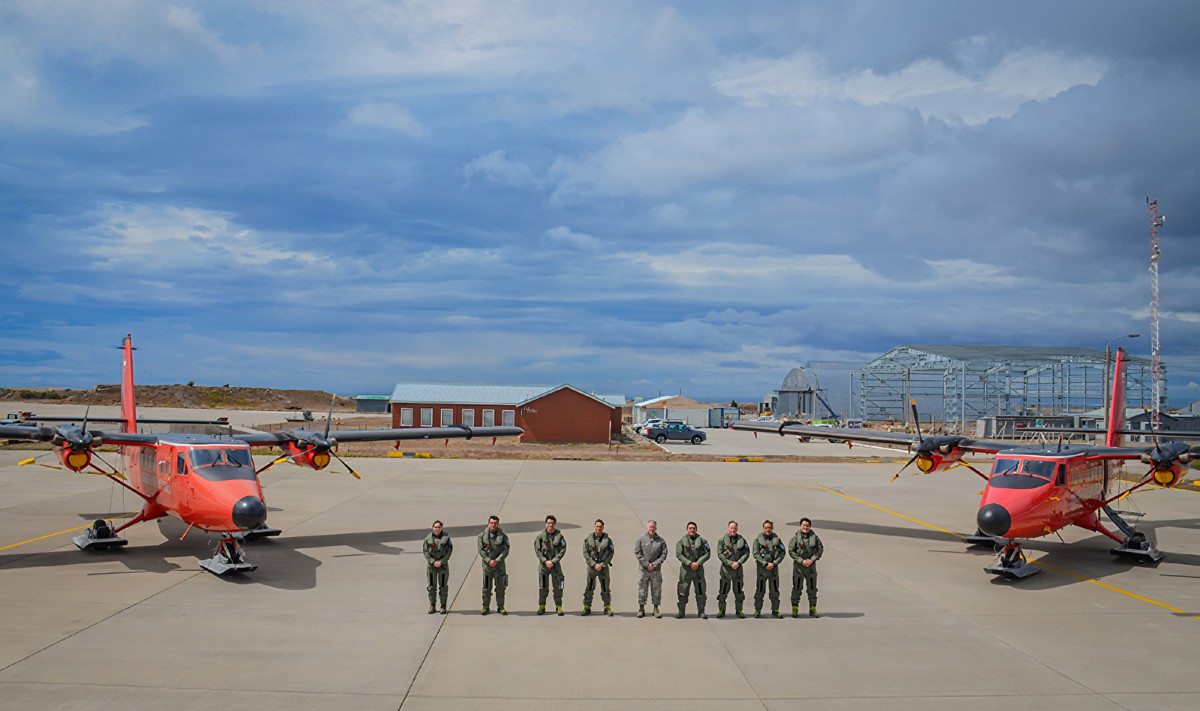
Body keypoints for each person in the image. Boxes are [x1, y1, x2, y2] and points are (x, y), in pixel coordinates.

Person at [788, 517, 824, 617]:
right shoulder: (795, 538)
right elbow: (791, 551)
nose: (806, 527)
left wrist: (812, 559)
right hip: (799, 568)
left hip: (811, 567)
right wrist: (801, 561)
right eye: (804, 525)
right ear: (800, 526)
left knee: (812, 588)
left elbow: (820, 549)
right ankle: (795, 608)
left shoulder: (815, 537)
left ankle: (812, 608)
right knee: (797, 588)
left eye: (807, 526)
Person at [675, 521, 710, 618]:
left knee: (701, 592)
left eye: (694, 528)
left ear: (696, 530)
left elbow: (707, 553)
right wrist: (689, 563)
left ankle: (701, 610)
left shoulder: (703, 542)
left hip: (698, 572)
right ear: (687, 530)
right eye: (690, 528)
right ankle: (681, 610)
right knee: (682, 591)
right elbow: (679, 554)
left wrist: (698, 563)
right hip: (685, 572)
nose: (692, 530)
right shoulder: (681, 542)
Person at [633, 519, 668, 618]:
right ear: (647, 528)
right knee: (642, 589)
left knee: (656, 589)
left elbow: (664, 554)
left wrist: (654, 564)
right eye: (650, 527)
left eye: (653, 527)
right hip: (643, 570)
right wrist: (646, 564)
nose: (651, 529)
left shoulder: (661, 541)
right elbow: (637, 552)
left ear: (656, 528)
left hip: (655, 571)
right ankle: (641, 608)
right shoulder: (641, 539)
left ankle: (656, 608)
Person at [716, 520, 750, 618]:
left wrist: (738, 562)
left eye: (735, 528)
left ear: (737, 529)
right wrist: (729, 563)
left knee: (739, 592)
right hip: (726, 571)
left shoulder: (742, 540)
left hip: (738, 571)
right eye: (731, 528)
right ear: (728, 528)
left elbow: (746, 553)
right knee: (723, 591)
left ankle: (739, 610)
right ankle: (721, 610)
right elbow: (720, 554)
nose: (733, 530)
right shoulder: (722, 541)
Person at [534, 514, 567, 615]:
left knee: (558, 587)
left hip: (555, 566)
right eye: (549, 523)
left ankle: (559, 606)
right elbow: (537, 550)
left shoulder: (560, 537)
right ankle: (542, 606)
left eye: (552, 523)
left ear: (555, 524)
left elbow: (563, 549)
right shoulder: (540, 537)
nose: (550, 525)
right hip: (544, 567)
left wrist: (554, 561)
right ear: (546, 524)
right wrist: (545, 561)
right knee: (543, 587)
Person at [753, 519, 786, 618]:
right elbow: (756, 553)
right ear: (763, 528)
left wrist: (775, 563)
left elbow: (782, 552)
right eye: (766, 528)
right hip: (762, 570)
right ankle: (757, 609)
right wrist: (764, 563)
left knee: (775, 590)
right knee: (760, 590)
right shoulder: (758, 540)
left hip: (773, 570)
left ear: (772, 528)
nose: (768, 530)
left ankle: (775, 609)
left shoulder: (777, 540)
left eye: (770, 528)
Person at [477, 515, 509, 615]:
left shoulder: (503, 537)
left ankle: (501, 606)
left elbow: (506, 550)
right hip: (487, 567)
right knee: (486, 587)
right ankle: (485, 606)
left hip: (499, 567)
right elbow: (481, 550)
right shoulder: (482, 536)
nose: (493, 525)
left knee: (500, 587)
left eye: (495, 523)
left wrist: (497, 560)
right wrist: (488, 560)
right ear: (488, 524)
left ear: (498, 524)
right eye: (492, 523)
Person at [582, 519, 615, 616]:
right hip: (592, 568)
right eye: (597, 526)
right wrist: (593, 564)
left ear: (603, 528)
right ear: (594, 527)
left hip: (603, 568)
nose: (599, 528)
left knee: (605, 588)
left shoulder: (607, 540)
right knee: (589, 588)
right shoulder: (588, 539)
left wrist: (603, 564)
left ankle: (607, 607)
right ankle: (587, 607)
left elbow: (611, 552)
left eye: (600, 527)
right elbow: (585, 553)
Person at [422, 520, 453, 614]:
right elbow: (425, 551)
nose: (437, 529)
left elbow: (449, 551)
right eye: (435, 527)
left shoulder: (447, 538)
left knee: (443, 586)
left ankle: (443, 606)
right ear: (432, 528)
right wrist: (433, 561)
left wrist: (442, 561)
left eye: (439, 527)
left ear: (441, 528)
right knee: (431, 586)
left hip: (442, 566)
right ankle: (432, 605)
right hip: (432, 567)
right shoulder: (428, 539)